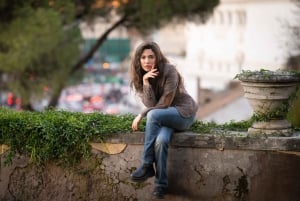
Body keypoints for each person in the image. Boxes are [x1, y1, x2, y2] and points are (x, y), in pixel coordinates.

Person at [129, 41, 198, 199]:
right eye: (143, 57)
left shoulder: (169, 70)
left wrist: (142, 114)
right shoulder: (142, 78)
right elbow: (152, 104)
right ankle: (160, 185)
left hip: (182, 113)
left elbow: (164, 103)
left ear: (157, 57)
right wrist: (146, 83)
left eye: (151, 57)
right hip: (163, 117)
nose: (147, 61)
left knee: (152, 115)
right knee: (161, 141)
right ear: (138, 61)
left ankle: (147, 164)